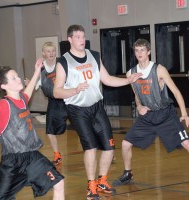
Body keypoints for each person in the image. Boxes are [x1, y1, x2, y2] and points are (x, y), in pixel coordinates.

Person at [112, 39, 189, 188]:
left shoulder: (159, 69)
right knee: (125, 144)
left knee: (186, 142)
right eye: (137, 50)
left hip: (165, 114)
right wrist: (139, 106)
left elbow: (175, 91)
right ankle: (128, 173)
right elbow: (137, 95)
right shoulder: (131, 72)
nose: (139, 53)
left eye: (142, 50)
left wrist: (184, 114)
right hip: (147, 117)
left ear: (148, 51)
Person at [53, 24, 142, 200]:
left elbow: (107, 79)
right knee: (91, 147)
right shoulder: (63, 62)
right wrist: (74, 90)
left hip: (96, 107)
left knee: (109, 147)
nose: (81, 40)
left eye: (83, 36)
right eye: (77, 37)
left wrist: (128, 80)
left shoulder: (94, 56)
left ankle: (102, 180)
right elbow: (57, 91)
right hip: (78, 109)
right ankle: (91, 185)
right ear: (69, 39)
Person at [0, 59, 65, 200]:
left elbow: (29, 91)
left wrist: (37, 70)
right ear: (5, 85)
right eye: (14, 78)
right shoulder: (4, 105)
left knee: (58, 182)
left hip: (32, 157)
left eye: (17, 76)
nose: (19, 78)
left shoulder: (23, 99)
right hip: (13, 162)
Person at [34, 41, 68, 165]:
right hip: (53, 101)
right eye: (48, 51)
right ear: (43, 53)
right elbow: (36, 84)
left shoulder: (62, 63)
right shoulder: (41, 67)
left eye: (53, 51)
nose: (51, 53)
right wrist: (30, 85)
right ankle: (57, 154)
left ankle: (100, 146)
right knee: (49, 130)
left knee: (82, 126)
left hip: (67, 99)